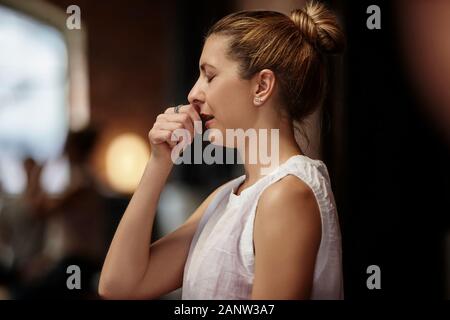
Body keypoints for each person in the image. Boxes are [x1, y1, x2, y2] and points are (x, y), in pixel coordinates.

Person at [99, 0, 345, 300]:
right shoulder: (225, 198)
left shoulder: (288, 194)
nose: (193, 95)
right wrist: (158, 162)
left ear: (262, 87)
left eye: (210, 75)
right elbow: (119, 285)